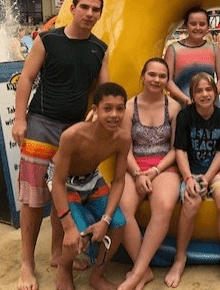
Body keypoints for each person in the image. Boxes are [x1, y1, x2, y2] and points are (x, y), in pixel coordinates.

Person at [12, 0, 110, 290]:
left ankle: (57, 253)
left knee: (62, 195)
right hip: (41, 125)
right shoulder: (49, 40)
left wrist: (98, 116)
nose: (90, 14)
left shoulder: (100, 49)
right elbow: (26, 78)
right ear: (73, 8)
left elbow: (103, 90)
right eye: (85, 7)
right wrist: (19, 118)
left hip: (74, 129)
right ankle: (27, 264)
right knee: (32, 199)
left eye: (96, 10)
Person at [49, 82, 128, 290]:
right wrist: (68, 226)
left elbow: (119, 180)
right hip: (64, 181)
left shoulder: (122, 138)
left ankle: (97, 275)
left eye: (120, 109)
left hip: (91, 178)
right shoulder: (73, 136)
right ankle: (64, 268)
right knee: (78, 235)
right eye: (107, 108)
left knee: (119, 224)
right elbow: (57, 181)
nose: (114, 115)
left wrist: (106, 220)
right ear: (95, 110)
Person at [165, 72, 220, 290]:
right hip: (191, 170)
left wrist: (208, 177)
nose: (204, 94)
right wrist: (189, 177)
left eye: (209, 90)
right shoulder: (185, 116)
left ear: (215, 92)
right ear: (192, 95)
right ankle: (180, 258)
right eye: (199, 90)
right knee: (192, 200)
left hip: (216, 170)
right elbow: (180, 150)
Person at [117, 58, 182, 290]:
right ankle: (143, 270)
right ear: (143, 77)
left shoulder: (173, 107)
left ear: (167, 80)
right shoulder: (129, 107)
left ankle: (137, 273)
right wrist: (137, 174)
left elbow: (176, 149)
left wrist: (155, 171)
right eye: (152, 75)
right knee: (122, 209)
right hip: (134, 164)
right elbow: (125, 149)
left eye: (162, 76)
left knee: (163, 206)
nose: (156, 80)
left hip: (163, 165)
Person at [164, 6, 220, 107]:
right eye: (193, 24)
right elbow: (168, 81)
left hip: (210, 108)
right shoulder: (173, 49)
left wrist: (211, 96)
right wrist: (186, 99)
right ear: (186, 25)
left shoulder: (214, 49)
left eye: (202, 24)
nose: (198, 27)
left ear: (208, 26)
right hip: (183, 107)